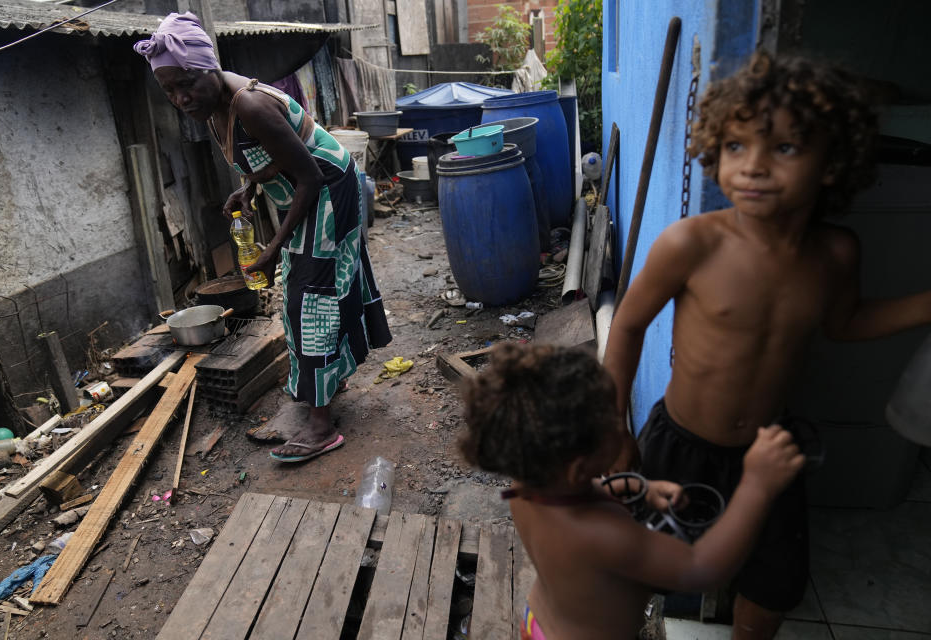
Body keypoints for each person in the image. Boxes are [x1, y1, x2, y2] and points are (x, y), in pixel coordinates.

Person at [604, 52, 931, 638]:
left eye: (784, 148)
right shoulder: (691, 244)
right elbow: (626, 327)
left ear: (831, 163)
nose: (752, 166)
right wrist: (615, 428)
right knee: (640, 567)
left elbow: (845, 323)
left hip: (769, 452)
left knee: (772, 583)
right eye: (735, 146)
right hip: (678, 447)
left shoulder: (835, 253)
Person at [134, 13, 391, 462]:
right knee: (309, 292)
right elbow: (281, 154)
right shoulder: (214, 103)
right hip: (312, 185)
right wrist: (249, 186)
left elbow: (309, 176)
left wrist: (272, 250)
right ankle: (325, 387)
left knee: (308, 298)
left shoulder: (248, 104)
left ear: (208, 66)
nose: (180, 97)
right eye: (169, 90)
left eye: (187, 83)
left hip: (329, 189)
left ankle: (320, 427)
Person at [460, 343, 805, 640]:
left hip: (539, 622)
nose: (619, 422)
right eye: (612, 422)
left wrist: (639, 486)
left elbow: (580, 493)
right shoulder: (609, 535)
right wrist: (756, 487)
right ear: (580, 466)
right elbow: (702, 568)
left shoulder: (526, 488)